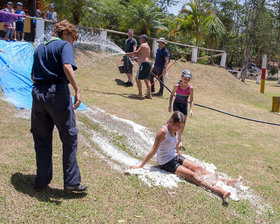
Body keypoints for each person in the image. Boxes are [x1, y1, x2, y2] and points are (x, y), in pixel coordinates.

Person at [31, 20, 87, 192]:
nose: (72, 43)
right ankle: (71, 182)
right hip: (58, 93)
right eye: (72, 39)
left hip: (38, 94)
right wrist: (77, 89)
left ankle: (42, 180)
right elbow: (67, 66)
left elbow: (33, 76)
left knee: (42, 139)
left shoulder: (40, 47)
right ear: (64, 34)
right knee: (69, 137)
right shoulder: (63, 45)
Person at [130, 111, 241, 199]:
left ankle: (227, 181)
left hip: (174, 156)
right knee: (193, 176)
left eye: (181, 126)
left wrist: (183, 158)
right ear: (171, 121)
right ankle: (220, 191)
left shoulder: (176, 130)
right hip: (165, 162)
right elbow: (153, 150)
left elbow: (176, 147)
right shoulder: (162, 132)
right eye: (178, 125)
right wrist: (140, 166)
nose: (179, 128)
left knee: (198, 168)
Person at [168, 69, 194, 147]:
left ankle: (179, 139)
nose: (186, 81)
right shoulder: (177, 86)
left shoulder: (190, 88)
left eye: (188, 79)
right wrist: (169, 105)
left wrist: (191, 109)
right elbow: (172, 95)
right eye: (185, 78)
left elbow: (192, 100)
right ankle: (172, 136)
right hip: (176, 104)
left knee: (182, 123)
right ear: (181, 77)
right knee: (177, 121)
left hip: (184, 105)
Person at [125, 34, 152, 99]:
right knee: (146, 80)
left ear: (144, 39)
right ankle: (150, 95)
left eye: (140, 38)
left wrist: (128, 54)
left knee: (137, 79)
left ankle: (140, 94)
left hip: (144, 64)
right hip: (148, 64)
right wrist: (135, 58)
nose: (139, 40)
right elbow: (142, 55)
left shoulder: (143, 45)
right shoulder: (147, 46)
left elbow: (137, 52)